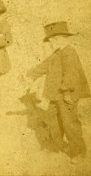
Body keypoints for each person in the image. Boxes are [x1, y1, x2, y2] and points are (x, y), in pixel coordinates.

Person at [27, 21, 90, 164]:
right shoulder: (57, 53)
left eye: (51, 41)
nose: (50, 44)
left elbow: (71, 74)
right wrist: (30, 74)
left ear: (60, 38)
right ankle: (56, 146)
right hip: (55, 95)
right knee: (53, 120)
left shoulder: (69, 52)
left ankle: (79, 152)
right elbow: (44, 66)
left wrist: (67, 91)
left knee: (70, 124)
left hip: (67, 95)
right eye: (50, 41)